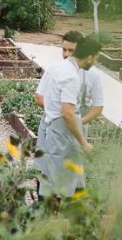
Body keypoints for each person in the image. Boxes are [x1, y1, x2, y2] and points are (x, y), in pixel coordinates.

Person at [33, 37, 102, 199]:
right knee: (59, 183)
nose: (95, 62)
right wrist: (84, 143)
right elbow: (68, 113)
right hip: (61, 134)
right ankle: (52, 219)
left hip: (53, 130)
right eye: (97, 58)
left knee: (51, 176)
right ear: (90, 57)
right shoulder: (71, 76)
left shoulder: (60, 68)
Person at [35, 31, 104, 134]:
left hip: (78, 129)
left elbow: (98, 106)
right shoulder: (54, 70)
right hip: (52, 127)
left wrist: (78, 123)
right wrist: (61, 116)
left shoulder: (93, 76)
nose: (66, 54)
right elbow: (39, 97)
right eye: (64, 50)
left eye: (71, 50)